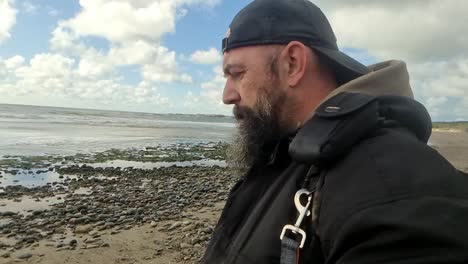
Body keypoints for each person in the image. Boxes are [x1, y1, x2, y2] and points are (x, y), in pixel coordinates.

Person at [201, 0, 468, 263]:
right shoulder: (285, 151)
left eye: (236, 73)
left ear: (292, 63)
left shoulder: (390, 181)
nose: (227, 95)